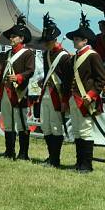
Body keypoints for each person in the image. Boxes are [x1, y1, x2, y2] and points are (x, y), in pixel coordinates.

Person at [66, 13, 105, 173]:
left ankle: (87, 165)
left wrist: (91, 95)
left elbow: (101, 79)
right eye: (74, 38)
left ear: (85, 41)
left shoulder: (93, 56)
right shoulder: (76, 57)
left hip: (86, 99)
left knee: (85, 131)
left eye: (77, 39)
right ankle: (79, 163)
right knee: (76, 131)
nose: (74, 41)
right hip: (75, 99)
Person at [0, 15, 35, 160]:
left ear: (21, 38)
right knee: (8, 123)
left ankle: (23, 153)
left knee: (22, 124)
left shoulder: (28, 54)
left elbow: (30, 71)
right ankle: (9, 151)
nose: (11, 38)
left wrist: (18, 77)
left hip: (20, 92)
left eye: (14, 36)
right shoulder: (8, 54)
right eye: (11, 36)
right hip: (7, 92)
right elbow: (2, 74)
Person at [38, 13, 71, 168]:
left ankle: (55, 159)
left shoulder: (64, 57)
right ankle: (50, 156)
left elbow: (68, 81)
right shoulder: (47, 55)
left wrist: (65, 100)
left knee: (56, 126)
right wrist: (43, 81)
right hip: (46, 93)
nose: (46, 45)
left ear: (54, 40)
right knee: (46, 126)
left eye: (48, 42)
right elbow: (47, 74)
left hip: (57, 96)